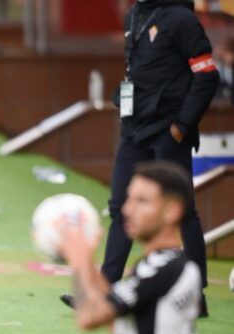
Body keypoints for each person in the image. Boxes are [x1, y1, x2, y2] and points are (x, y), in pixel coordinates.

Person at [60, 0, 219, 316]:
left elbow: (207, 76)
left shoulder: (182, 19)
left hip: (168, 130)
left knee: (181, 211)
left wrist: (181, 126)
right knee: (121, 206)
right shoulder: (136, 14)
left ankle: (196, 294)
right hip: (134, 129)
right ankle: (104, 291)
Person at [59, 161, 202, 334]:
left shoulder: (165, 269)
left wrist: (77, 256)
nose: (127, 209)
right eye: (129, 199)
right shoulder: (162, 266)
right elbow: (119, 322)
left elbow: (90, 317)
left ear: (171, 211)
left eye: (142, 201)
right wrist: (88, 261)